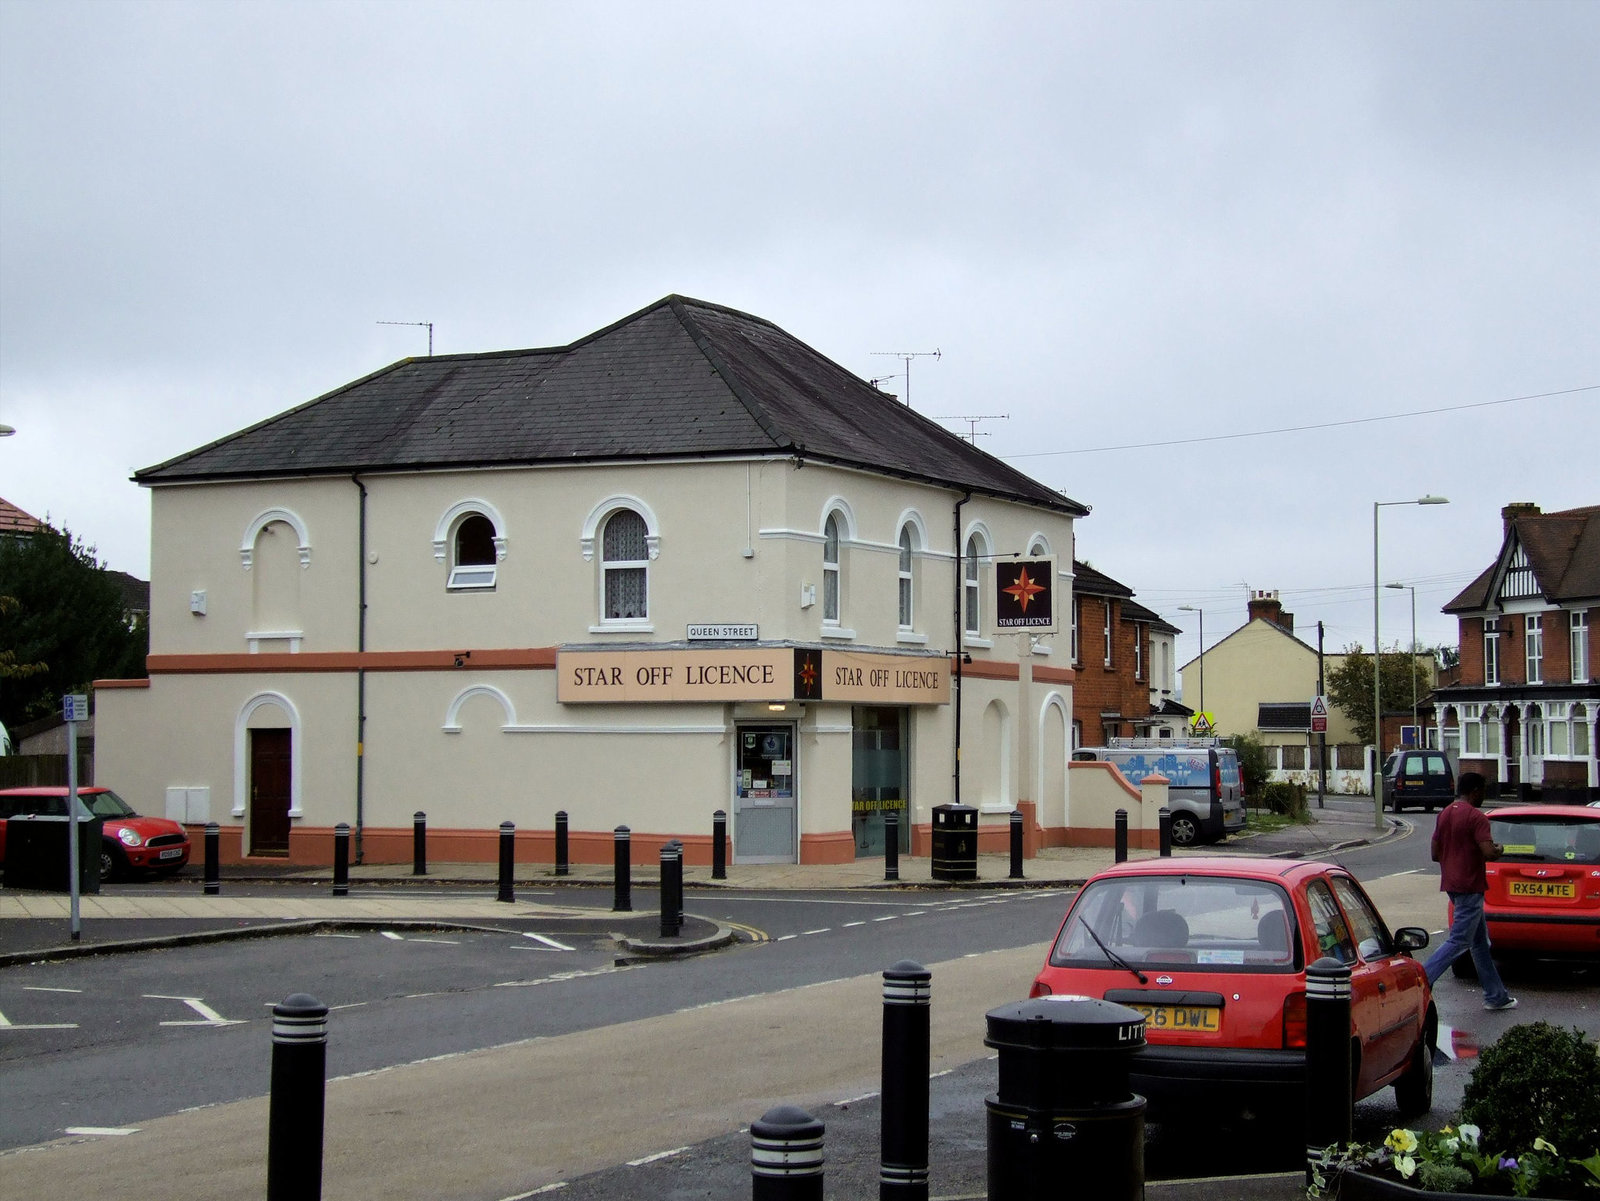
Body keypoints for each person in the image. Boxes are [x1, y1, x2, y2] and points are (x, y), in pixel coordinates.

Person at [1422, 771, 1517, 1010]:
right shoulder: (1477, 818)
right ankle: (1421, 979)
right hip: (1471, 886)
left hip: (1452, 884)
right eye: (1483, 790)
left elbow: (1435, 854)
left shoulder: (1444, 813)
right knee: (1460, 940)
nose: (1484, 795)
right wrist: (1500, 849)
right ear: (1475, 791)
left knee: (1479, 944)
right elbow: (1488, 852)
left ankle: (1496, 996)